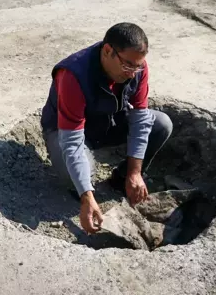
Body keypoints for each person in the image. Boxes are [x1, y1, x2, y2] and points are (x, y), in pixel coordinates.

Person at [40, 22, 173, 234]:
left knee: (161, 124)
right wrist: (87, 196)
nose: (133, 74)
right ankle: (85, 189)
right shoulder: (73, 75)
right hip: (69, 132)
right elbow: (72, 142)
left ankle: (121, 179)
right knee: (76, 178)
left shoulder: (137, 67)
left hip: (109, 121)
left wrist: (134, 172)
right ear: (107, 51)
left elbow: (140, 121)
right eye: (128, 66)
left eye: (138, 66)